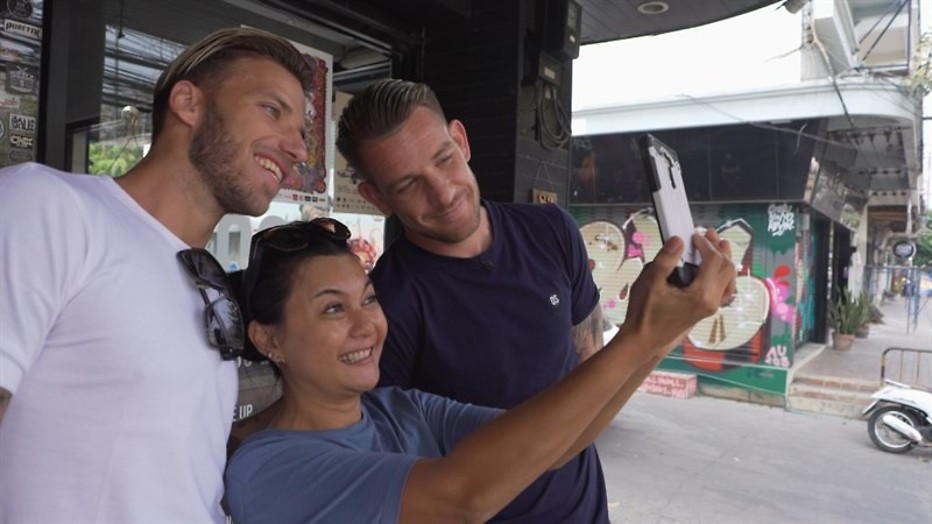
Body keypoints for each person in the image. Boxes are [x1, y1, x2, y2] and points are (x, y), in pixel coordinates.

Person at [224, 217, 736, 523]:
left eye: (370, 299)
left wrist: (668, 329)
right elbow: (461, 498)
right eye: (333, 309)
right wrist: (639, 336)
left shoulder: (399, 409)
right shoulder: (266, 467)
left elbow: (556, 443)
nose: (366, 326)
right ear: (269, 340)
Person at [0, 27, 312, 522]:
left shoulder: (203, 282)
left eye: (302, 131)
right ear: (188, 103)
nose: (298, 149)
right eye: (272, 110)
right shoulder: (50, 206)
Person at [334, 78, 610, 521]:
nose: (442, 193)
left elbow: (593, 371)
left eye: (444, 159)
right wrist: (651, 333)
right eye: (408, 185)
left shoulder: (552, 231)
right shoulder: (385, 303)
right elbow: (396, 466)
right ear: (377, 198)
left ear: (460, 141)